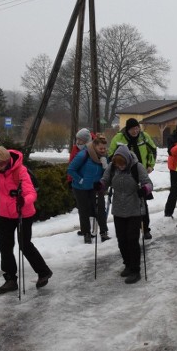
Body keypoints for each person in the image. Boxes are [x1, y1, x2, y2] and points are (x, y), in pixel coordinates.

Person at [0, 146, 54, 294]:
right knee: (5, 246)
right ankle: (10, 279)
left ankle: (44, 272)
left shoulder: (20, 171)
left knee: (24, 244)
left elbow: (31, 193)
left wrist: (23, 200)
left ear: (6, 161)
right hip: (5, 214)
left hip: (23, 213)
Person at [100, 145, 153, 284]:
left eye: (122, 164)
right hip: (118, 209)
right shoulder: (112, 167)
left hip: (134, 209)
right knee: (121, 240)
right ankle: (128, 265)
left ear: (127, 160)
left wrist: (145, 189)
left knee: (132, 239)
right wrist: (99, 186)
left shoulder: (137, 167)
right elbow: (105, 180)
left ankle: (136, 270)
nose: (120, 167)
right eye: (118, 164)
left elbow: (148, 182)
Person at [109, 118, 157, 239]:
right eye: (132, 129)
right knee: (126, 200)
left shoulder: (144, 136)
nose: (135, 131)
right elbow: (111, 156)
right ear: (127, 129)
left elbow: (153, 150)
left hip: (140, 172)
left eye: (137, 128)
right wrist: (116, 169)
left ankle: (145, 229)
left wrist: (151, 165)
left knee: (142, 203)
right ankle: (128, 228)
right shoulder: (118, 138)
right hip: (123, 174)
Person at [68, 136, 110, 244]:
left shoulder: (104, 157)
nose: (103, 150)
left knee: (100, 208)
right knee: (84, 210)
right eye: (101, 148)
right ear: (94, 146)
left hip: (96, 186)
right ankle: (86, 233)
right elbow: (71, 169)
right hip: (80, 187)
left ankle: (104, 232)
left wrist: (106, 166)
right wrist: (80, 180)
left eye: (105, 148)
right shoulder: (84, 154)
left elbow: (107, 173)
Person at [69, 128, 93, 236]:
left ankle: (97, 229)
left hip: (91, 183)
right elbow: (71, 165)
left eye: (80, 140)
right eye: (77, 140)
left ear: (86, 140)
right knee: (83, 208)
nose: (78, 142)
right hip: (78, 183)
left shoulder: (93, 148)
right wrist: (71, 180)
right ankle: (85, 230)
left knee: (91, 207)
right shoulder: (75, 148)